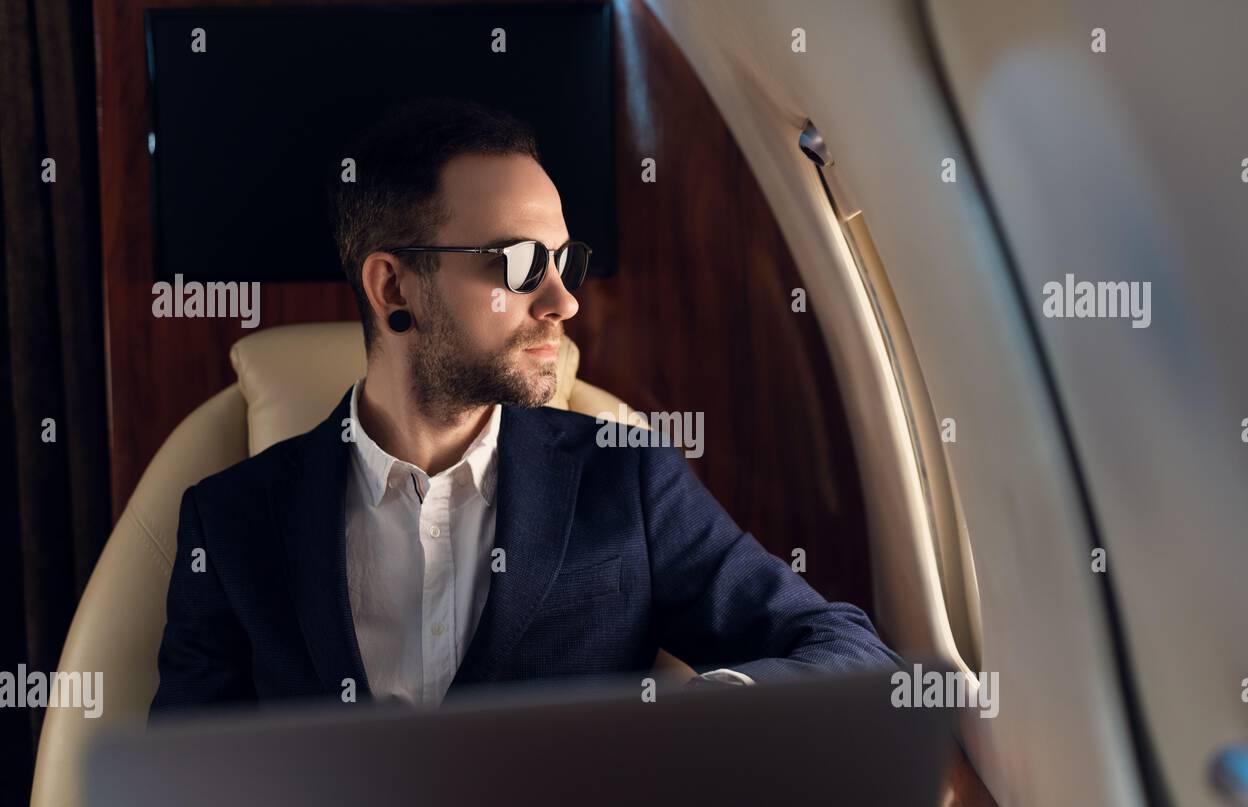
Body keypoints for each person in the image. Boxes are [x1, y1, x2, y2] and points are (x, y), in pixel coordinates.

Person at [150, 97, 902, 717]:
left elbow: (849, 651)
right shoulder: (232, 521)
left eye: (566, 260)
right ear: (393, 288)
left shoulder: (627, 482)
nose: (563, 300)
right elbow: (179, 799)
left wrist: (699, 718)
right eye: (517, 264)